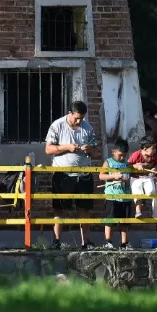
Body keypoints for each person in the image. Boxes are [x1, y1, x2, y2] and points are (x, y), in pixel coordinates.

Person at [44, 100, 100, 249]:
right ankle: (57, 241)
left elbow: (96, 152)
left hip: (84, 174)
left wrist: (89, 149)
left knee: (85, 209)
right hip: (63, 173)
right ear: (70, 113)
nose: (79, 121)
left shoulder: (87, 128)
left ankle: (85, 241)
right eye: (76, 118)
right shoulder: (58, 125)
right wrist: (67, 147)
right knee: (59, 208)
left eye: (81, 118)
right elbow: (48, 149)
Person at [99, 138, 132, 249]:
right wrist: (113, 176)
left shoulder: (127, 164)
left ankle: (124, 243)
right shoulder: (108, 162)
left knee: (125, 222)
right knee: (110, 220)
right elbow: (101, 175)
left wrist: (127, 182)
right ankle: (108, 241)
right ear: (113, 152)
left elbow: (129, 181)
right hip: (112, 196)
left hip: (125, 196)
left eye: (124, 155)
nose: (122, 158)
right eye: (120, 155)